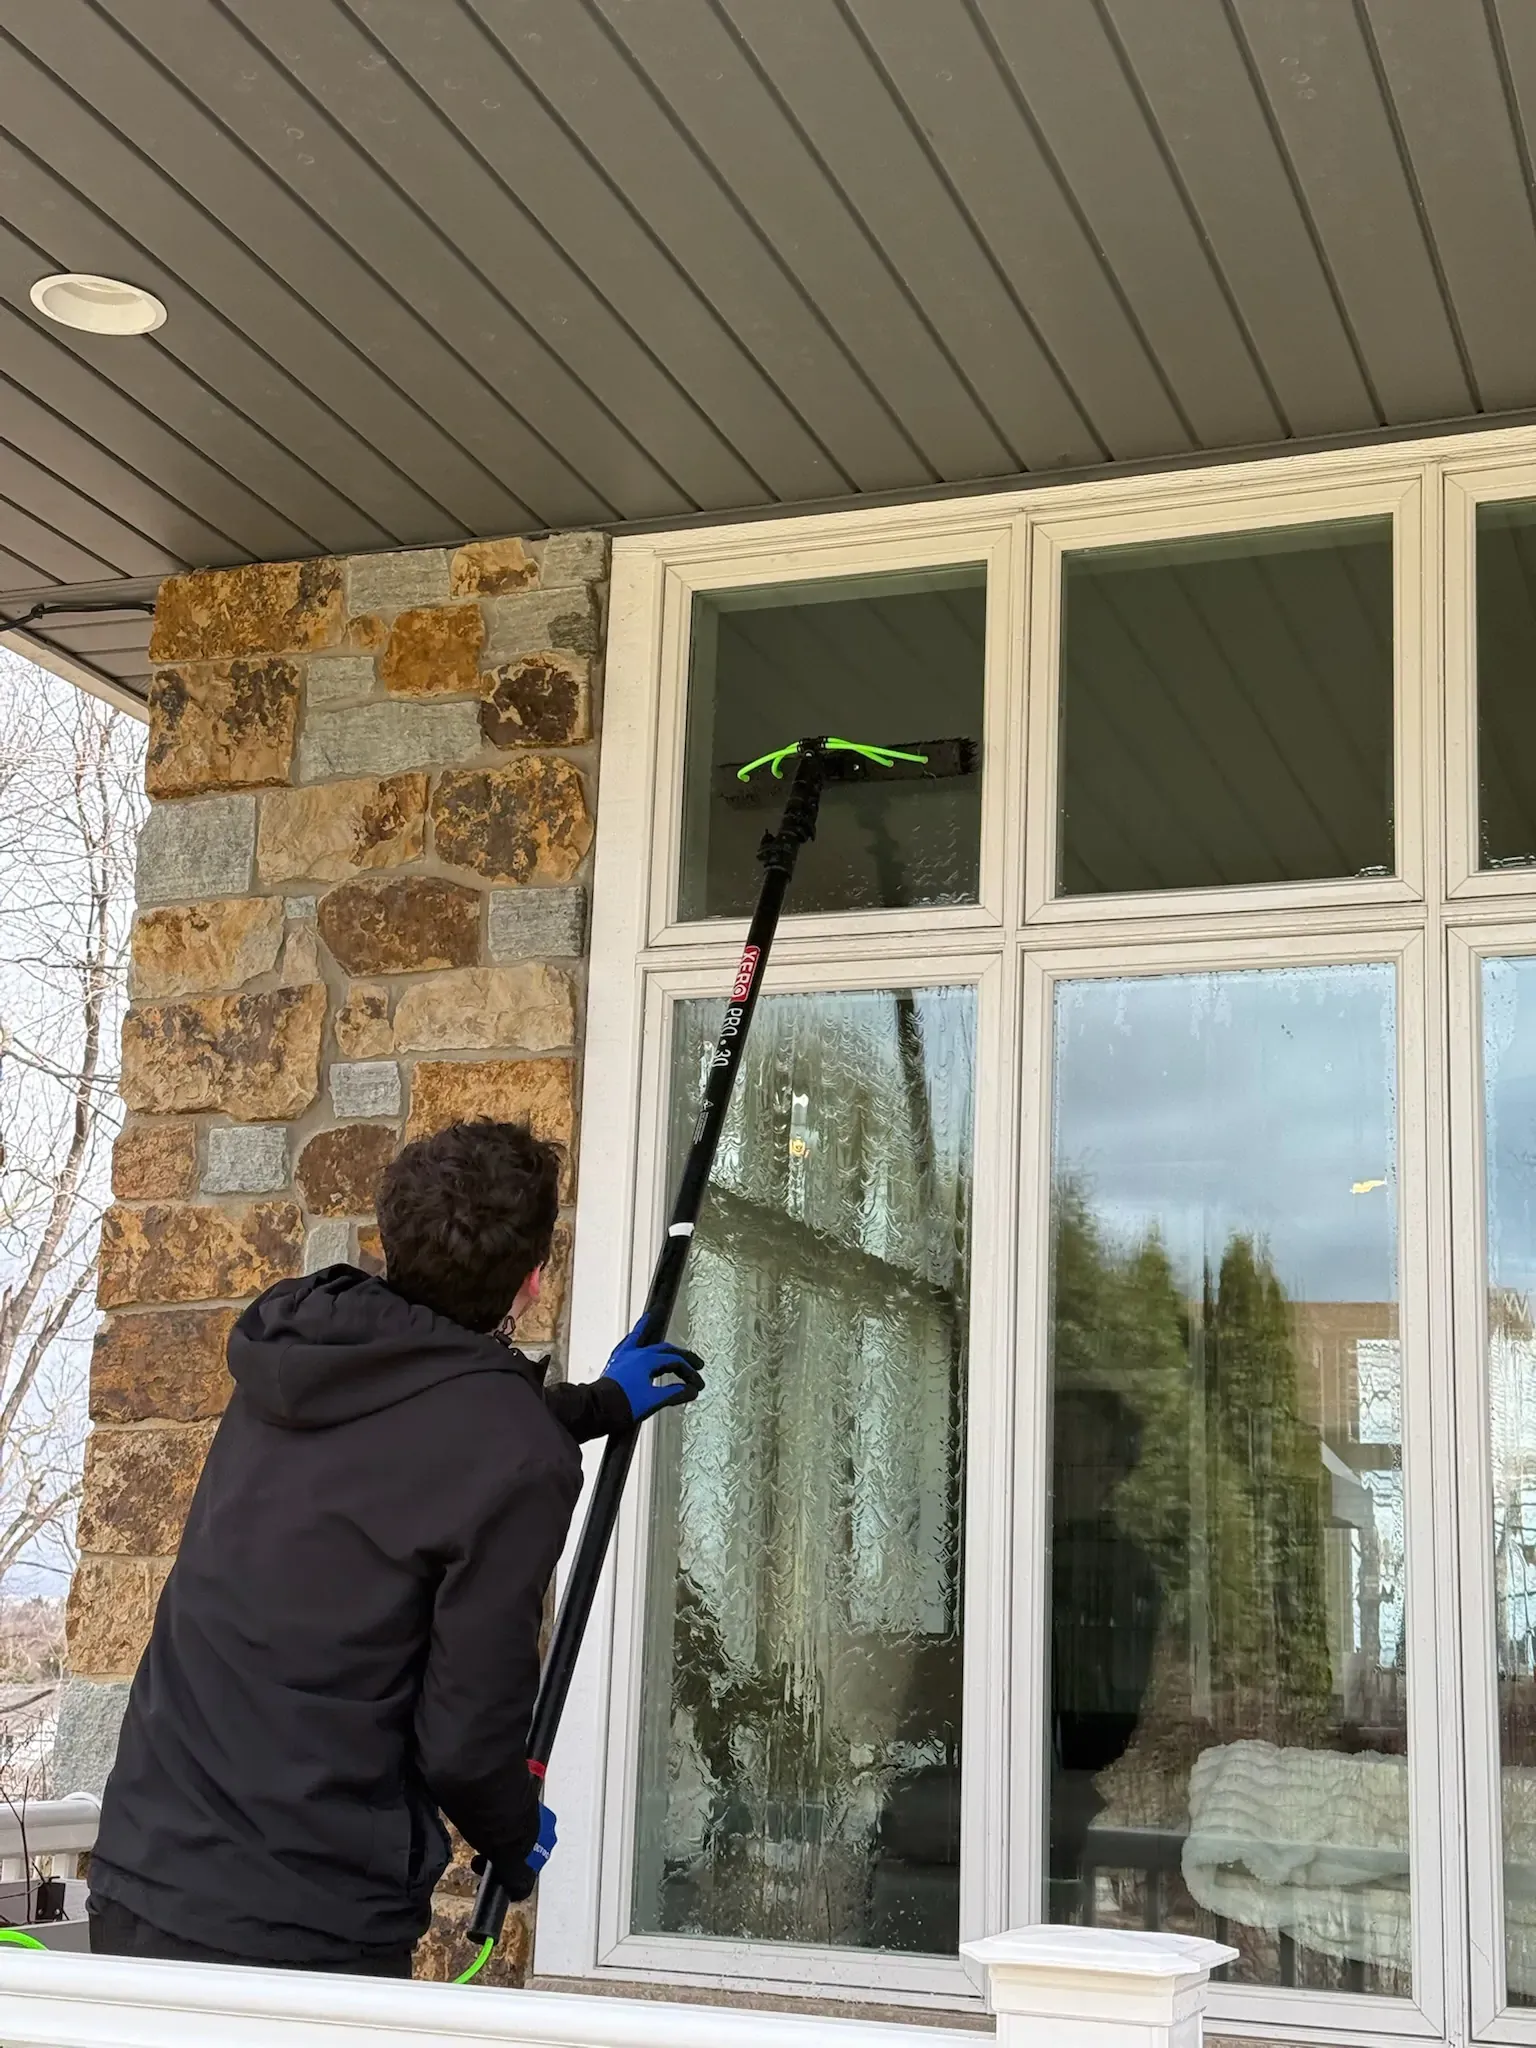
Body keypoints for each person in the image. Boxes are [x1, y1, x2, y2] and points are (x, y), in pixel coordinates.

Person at [86, 1118, 704, 1977]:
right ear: (531, 1280)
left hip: (143, 1881)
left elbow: (427, 1432)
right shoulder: (510, 1456)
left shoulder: (300, 1344)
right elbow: (464, 1739)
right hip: (305, 1932)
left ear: (387, 1241)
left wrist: (596, 1406)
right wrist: (511, 1832)